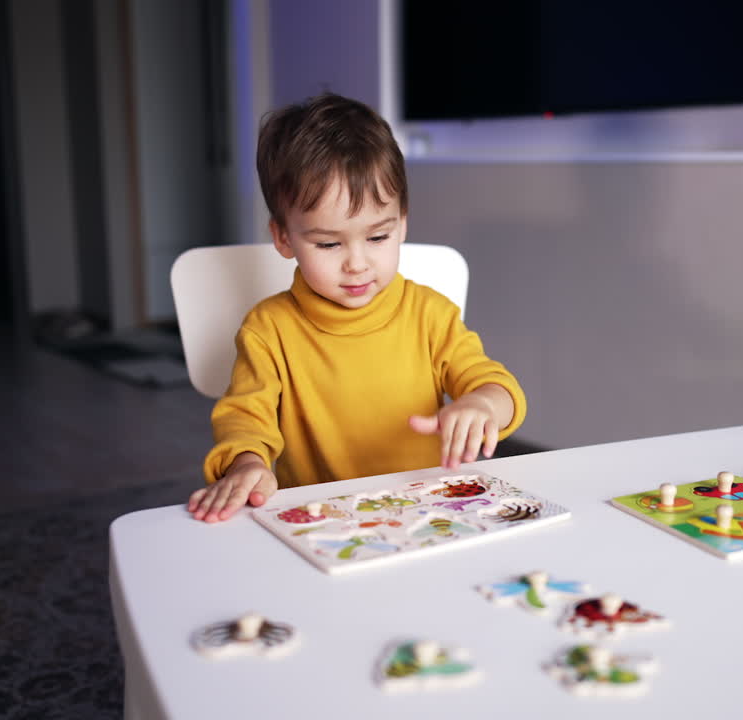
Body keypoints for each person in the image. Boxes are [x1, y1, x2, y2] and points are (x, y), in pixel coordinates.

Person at [187, 93, 526, 523]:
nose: (357, 263)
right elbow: (245, 417)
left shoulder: (429, 313)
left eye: (378, 237)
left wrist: (482, 406)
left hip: (426, 510)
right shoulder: (268, 328)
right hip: (320, 518)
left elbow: (496, 386)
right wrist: (248, 463)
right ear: (284, 238)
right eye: (328, 243)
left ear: (401, 222)